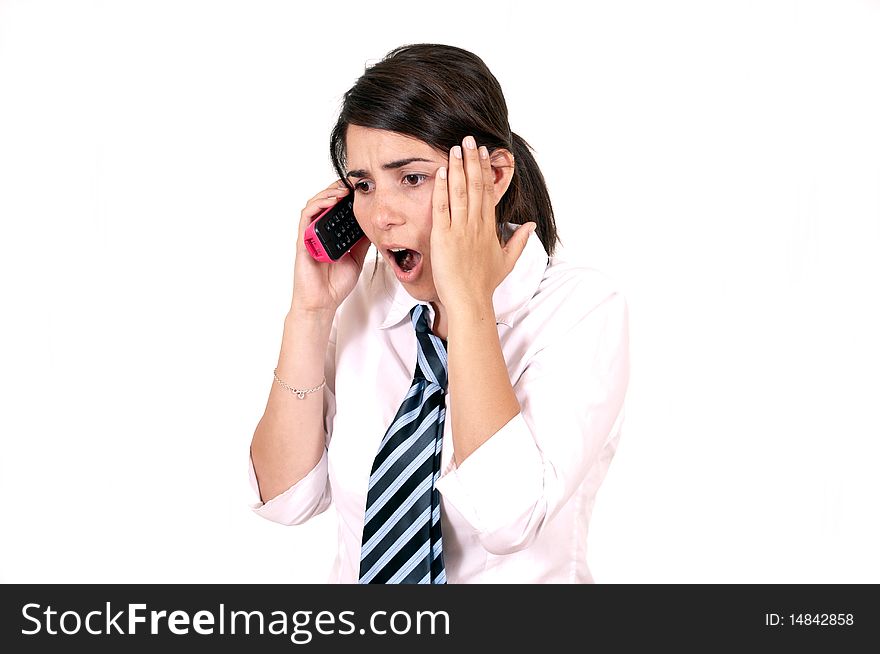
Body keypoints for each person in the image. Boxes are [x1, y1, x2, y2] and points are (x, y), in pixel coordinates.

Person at [248, 43, 630, 584]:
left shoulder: (582, 310)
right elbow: (284, 497)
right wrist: (310, 314)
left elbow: (506, 521)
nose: (380, 216)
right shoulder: (365, 300)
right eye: (362, 185)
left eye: (411, 178)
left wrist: (468, 300)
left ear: (493, 177)